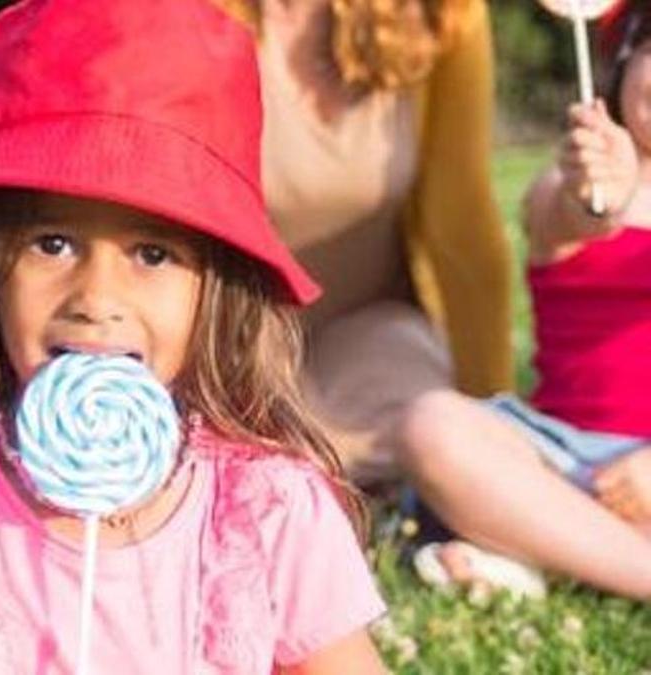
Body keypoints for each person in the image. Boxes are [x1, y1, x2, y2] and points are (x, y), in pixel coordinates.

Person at [0, 1, 387, 672]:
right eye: (51, 243)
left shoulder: (268, 513)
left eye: (151, 254)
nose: (96, 298)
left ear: (216, 290)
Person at [396, 0, 651, 600]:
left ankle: (541, 555)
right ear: (622, 60)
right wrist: (598, 200)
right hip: (563, 464)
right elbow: (577, 213)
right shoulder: (571, 183)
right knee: (432, 424)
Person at [210, 0, 514, 487]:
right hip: (227, 335)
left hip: (369, 336)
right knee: (241, 456)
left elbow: (463, 232)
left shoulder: (446, 14)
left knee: (429, 425)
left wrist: (496, 417)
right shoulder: (184, 12)